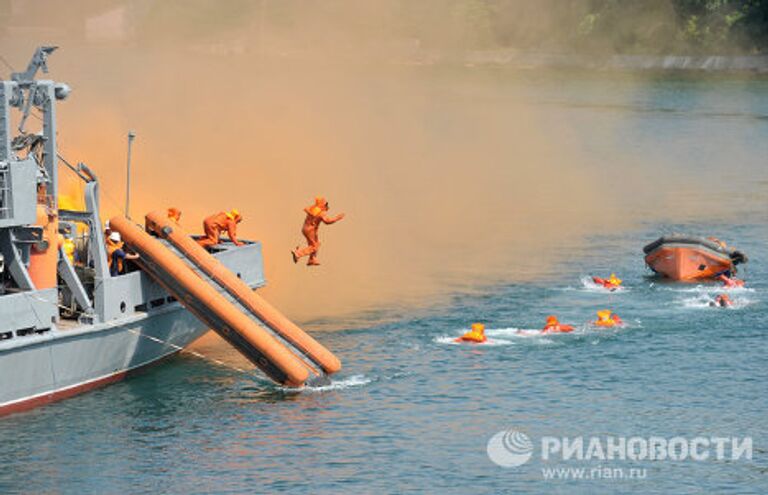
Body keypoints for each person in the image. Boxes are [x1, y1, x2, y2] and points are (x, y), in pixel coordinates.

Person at [292, 197, 345, 266]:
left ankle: (312, 259)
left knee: (316, 243)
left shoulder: (313, 209)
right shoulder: (321, 213)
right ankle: (299, 253)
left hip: (305, 228)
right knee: (315, 246)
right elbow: (327, 221)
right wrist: (337, 218)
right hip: (310, 230)